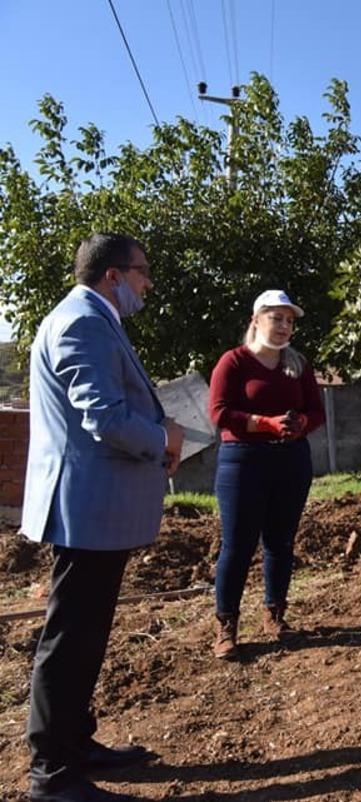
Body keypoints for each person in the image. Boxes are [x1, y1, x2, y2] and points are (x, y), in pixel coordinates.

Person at [22, 233, 185, 802]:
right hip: (85, 508)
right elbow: (104, 417)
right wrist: (163, 440)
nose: (147, 283)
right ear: (112, 274)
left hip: (93, 509)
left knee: (85, 634)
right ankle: (52, 773)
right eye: (142, 272)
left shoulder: (92, 318)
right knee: (70, 638)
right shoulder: (83, 321)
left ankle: (74, 743)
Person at [208, 290, 325, 659]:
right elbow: (219, 413)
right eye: (277, 318)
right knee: (237, 545)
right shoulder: (234, 362)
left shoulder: (298, 365)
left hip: (291, 460)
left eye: (289, 321)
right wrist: (264, 424)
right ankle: (226, 627)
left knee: (281, 542)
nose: (284, 327)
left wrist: (300, 423)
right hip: (243, 461)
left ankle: (275, 615)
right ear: (256, 319)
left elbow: (316, 412)